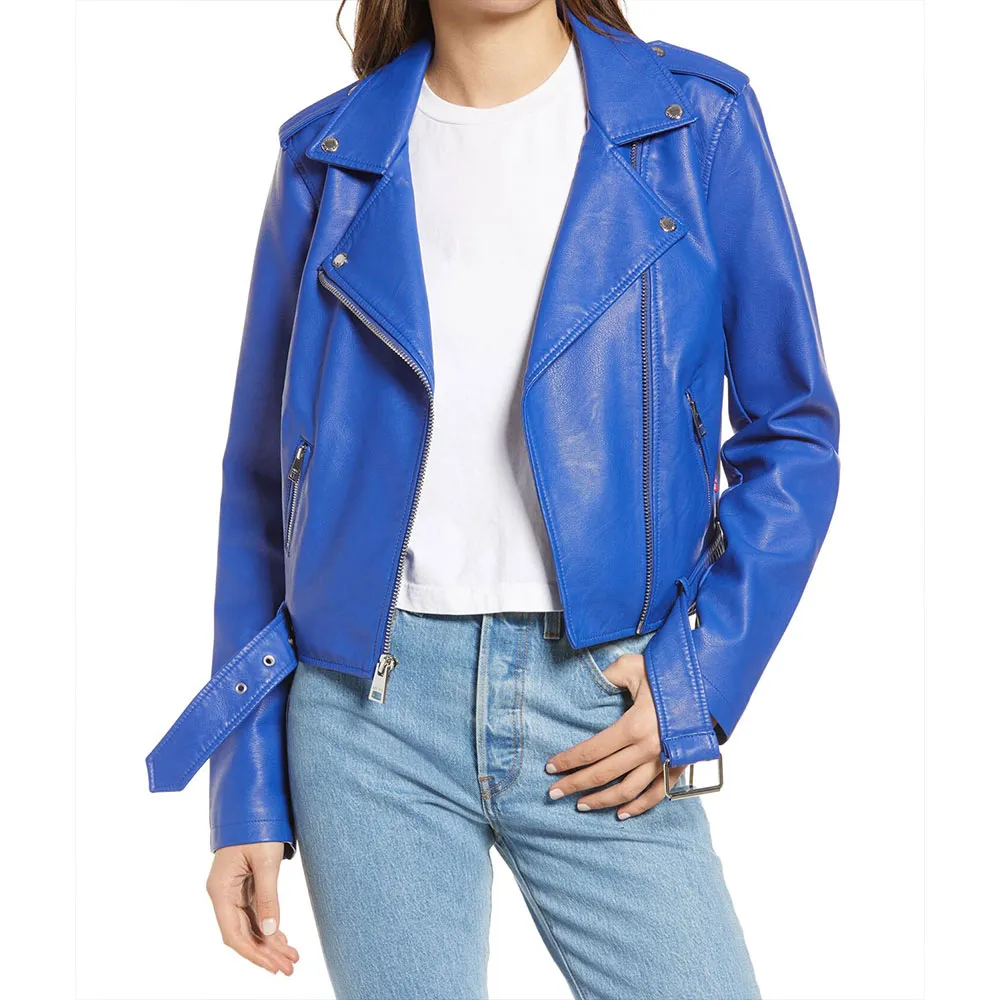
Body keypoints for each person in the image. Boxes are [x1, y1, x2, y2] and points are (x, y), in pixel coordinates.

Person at [146, 1, 840, 997]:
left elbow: (793, 433)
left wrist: (698, 678)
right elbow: (265, 485)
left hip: (601, 702)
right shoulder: (327, 157)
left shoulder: (695, 121)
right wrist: (244, 791)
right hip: (366, 719)